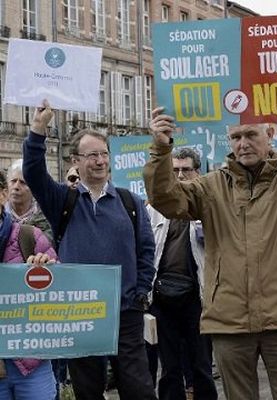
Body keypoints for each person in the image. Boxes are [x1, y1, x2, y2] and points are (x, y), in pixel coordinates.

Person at [143, 88, 277, 400]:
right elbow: (165, 199)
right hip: (230, 319)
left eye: (251, 134)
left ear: (269, 134)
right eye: (236, 137)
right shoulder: (210, 187)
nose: (242, 144)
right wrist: (160, 151)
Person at [22, 100, 158, 400]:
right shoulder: (63, 201)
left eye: (103, 154)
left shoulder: (129, 202)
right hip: (81, 315)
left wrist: (139, 291)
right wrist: (38, 129)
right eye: (92, 155)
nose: (99, 161)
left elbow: (146, 251)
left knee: (139, 389)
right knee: (88, 391)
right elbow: (33, 173)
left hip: (125, 314)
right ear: (76, 160)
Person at [147, 147, 217, 400]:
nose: (179, 176)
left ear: (197, 172)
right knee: (169, 368)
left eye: (185, 170)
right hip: (162, 298)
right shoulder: (154, 208)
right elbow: (147, 252)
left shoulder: (209, 207)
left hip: (197, 297)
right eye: (174, 170)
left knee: (201, 365)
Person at [0, 168, 57, 400]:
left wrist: (49, 269)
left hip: (31, 363)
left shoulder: (29, 236)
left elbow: (62, 296)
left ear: (2, 195)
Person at [6, 159, 53, 243]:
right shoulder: (3, 216)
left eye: (23, 182)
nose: (16, 186)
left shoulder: (47, 220)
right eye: (13, 181)